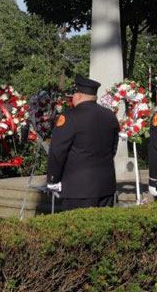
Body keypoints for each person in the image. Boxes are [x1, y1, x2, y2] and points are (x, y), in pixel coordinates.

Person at [46, 75, 119, 211]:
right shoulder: (110, 116)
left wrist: (53, 179)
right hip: (105, 185)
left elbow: (57, 151)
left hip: (78, 188)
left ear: (78, 96)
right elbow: (112, 149)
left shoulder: (70, 117)